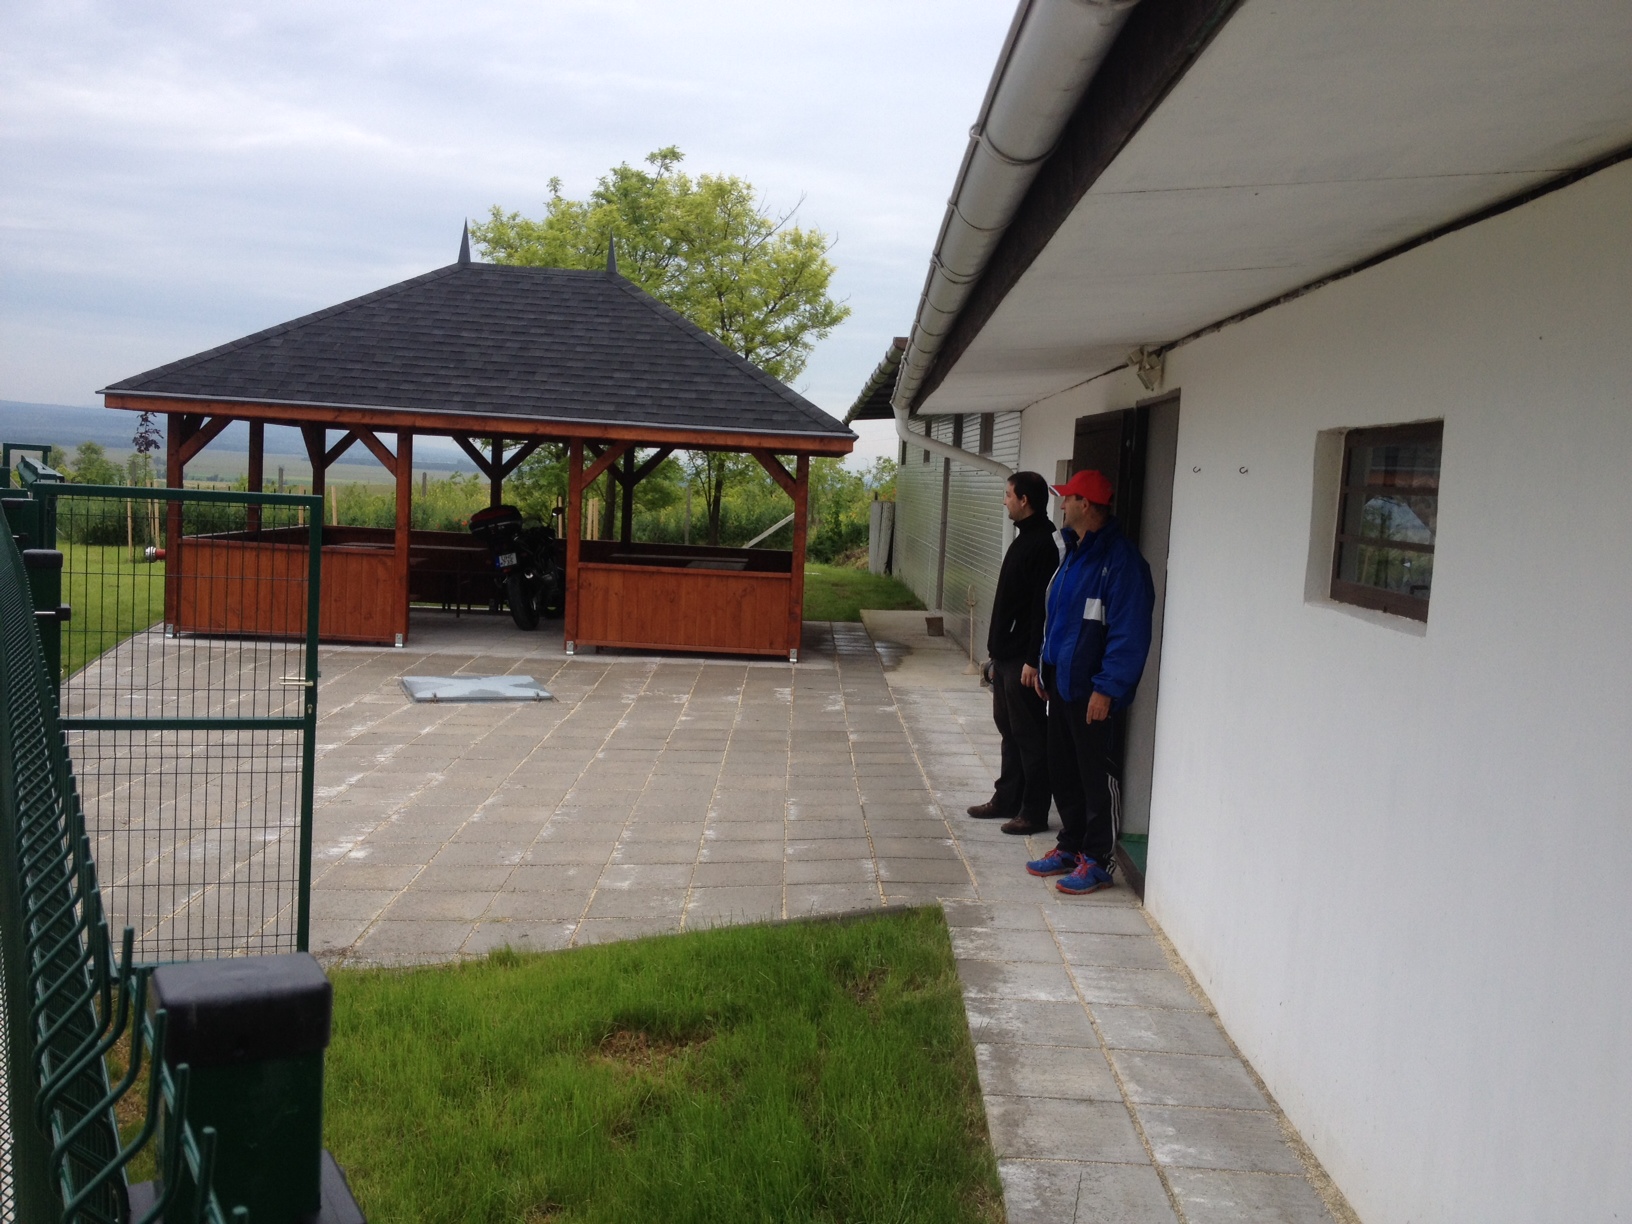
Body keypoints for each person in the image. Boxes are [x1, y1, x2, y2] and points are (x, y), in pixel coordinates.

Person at [1025, 469, 1154, 896]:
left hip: (1093, 692)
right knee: (1064, 772)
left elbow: (1128, 634)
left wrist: (1107, 688)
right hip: (1061, 685)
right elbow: (1058, 620)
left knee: (1096, 778)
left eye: (1068, 498)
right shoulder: (1074, 553)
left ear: (1086, 504)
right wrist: (1044, 666)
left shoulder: (1122, 562)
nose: (1061, 504)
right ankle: (1071, 846)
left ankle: (1098, 861)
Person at [966, 471, 1063, 835]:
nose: (1004, 501)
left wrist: (1032, 660)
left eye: (1008, 495)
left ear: (1024, 500)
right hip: (1006, 656)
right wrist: (996, 653)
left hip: (1023, 660)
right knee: (1009, 730)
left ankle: (1034, 812)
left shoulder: (1043, 544)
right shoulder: (1024, 539)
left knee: (1030, 736)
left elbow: (1042, 609)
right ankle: (1007, 798)